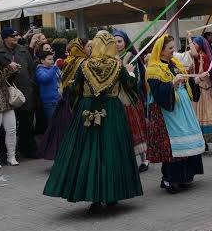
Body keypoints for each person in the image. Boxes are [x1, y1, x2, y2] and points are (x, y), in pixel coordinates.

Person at [44, 31, 143, 212]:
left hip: (87, 111)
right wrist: (130, 74)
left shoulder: (84, 66)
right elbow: (131, 87)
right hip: (112, 111)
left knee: (88, 152)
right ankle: (112, 195)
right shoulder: (117, 66)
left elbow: (74, 90)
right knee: (112, 150)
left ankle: (94, 198)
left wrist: (79, 100)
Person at [145, 35, 205, 193]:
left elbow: (185, 82)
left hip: (182, 108)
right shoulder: (153, 69)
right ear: (161, 50)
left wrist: (197, 79)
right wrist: (172, 83)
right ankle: (169, 179)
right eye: (170, 48)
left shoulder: (175, 63)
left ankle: (184, 176)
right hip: (168, 111)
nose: (173, 51)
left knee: (185, 142)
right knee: (173, 146)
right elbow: (157, 92)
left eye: (173, 47)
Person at [0, 27, 38, 160]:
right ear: (5, 38)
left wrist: (30, 83)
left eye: (16, 35)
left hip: (25, 91)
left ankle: (28, 149)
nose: (16, 38)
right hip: (8, 92)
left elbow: (31, 68)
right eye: (13, 36)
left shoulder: (23, 50)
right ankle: (5, 152)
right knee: (6, 126)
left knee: (27, 123)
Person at [113, 31, 150, 170]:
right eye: (114, 42)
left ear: (125, 42)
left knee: (136, 126)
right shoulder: (111, 58)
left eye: (119, 41)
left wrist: (126, 71)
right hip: (117, 99)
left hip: (131, 97)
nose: (117, 44)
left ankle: (144, 159)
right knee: (124, 129)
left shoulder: (131, 57)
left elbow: (138, 80)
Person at [187, 35, 212, 155]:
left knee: (208, 117)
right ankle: (205, 144)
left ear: (200, 45)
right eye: (192, 43)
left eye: (195, 43)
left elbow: (200, 73)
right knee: (201, 118)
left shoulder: (202, 56)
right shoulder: (200, 56)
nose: (193, 46)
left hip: (205, 91)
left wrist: (188, 38)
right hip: (201, 91)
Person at [35, 50, 62, 122]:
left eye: (52, 59)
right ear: (42, 61)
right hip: (49, 102)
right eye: (49, 59)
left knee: (59, 122)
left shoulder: (54, 69)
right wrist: (55, 66)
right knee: (52, 123)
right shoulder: (40, 70)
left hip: (58, 99)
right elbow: (46, 78)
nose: (52, 61)